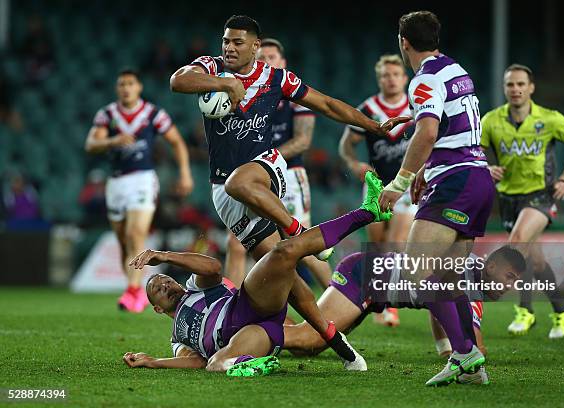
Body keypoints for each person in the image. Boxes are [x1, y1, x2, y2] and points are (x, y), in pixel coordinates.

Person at [169, 15, 404, 366]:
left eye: (237, 42)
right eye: (226, 41)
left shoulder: (275, 77)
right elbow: (177, 81)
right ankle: (341, 347)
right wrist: (222, 85)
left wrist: (373, 125)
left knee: (242, 183)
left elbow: (325, 104)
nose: (229, 48)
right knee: (286, 272)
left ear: (255, 47)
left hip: (266, 168)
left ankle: (298, 229)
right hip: (225, 194)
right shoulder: (211, 67)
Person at [122, 172, 392, 375]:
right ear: (157, 308)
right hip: (251, 334)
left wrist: (166, 256)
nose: (166, 285)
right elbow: (194, 360)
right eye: (158, 289)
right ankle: (252, 363)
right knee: (215, 365)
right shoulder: (177, 337)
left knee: (282, 252)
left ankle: (366, 213)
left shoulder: (194, 287)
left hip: (249, 303)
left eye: (166, 279)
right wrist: (153, 362)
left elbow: (214, 268)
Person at [377, 11, 494, 386]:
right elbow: (448, 120)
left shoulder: (423, 79)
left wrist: (400, 180)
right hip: (477, 178)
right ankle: (471, 367)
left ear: (403, 42)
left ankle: (463, 351)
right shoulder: (456, 70)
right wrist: (412, 123)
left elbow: (428, 133)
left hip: (454, 182)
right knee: (448, 276)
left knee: (415, 270)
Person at [283, 245, 528, 384]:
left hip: (375, 285)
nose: (511, 286)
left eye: (517, 281)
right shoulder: (468, 280)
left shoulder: (471, 270)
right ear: (492, 266)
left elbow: (438, 306)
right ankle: (252, 321)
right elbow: (475, 348)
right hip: (365, 277)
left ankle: (271, 319)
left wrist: (445, 347)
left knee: (305, 348)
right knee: (310, 339)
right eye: (509, 277)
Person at [480, 64, 564, 339]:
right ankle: (562, 310)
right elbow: (475, 151)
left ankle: (524, 310)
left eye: (520, 84)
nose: (515, 89)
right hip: (508, 198)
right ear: (504, 88)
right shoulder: (491, 120)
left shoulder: (549, 119)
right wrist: (486, 167)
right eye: (510, 85)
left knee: (517, 243)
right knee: (535, 262)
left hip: (541, 195)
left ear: (531, 88)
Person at [224, 37, 331, 288]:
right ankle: (227, 307)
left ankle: (341, 295)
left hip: (288, 174)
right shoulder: (245, 96)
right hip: (254, 179)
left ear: (282, 63)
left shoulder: (294, 96)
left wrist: (264, 161)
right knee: (236, 242)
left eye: (270, 58)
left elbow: (303, 140)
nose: (265, 62)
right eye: (260, 58)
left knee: (302, 244)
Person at [85, 68, 194, 313]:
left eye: (130, 83)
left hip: (143, 179)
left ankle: (133, 291)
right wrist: (112, 141)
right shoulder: (108, 114)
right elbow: (91, 144)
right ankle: (133, 289)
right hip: (116, 182)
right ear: (117, 88)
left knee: (136, 233)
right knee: (124, 241)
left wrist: (185, 173)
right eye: (122, 84)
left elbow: (176, 141)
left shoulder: (153, 113)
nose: (126, 88)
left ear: (139, 87)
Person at [340, 54, 416, 327]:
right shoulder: (369, 109)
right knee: (377, 245)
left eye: (396, 74)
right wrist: (353, 163)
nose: (391, 79)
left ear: (404, 78)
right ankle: (377, 298)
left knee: (396, 242)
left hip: (407, 185)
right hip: (377, 185)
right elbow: (346, 144)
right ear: (379, 78)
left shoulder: (416, 107)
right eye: (385, 75)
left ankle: (389, 304)